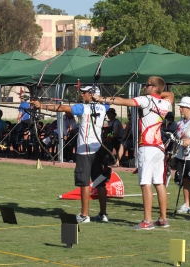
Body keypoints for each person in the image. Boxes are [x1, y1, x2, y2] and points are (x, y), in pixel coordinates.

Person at [93, 76, 174, 230]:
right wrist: (158, 93)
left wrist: (101, 98)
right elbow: (170, 95)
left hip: (147, 147)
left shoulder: (146, 100)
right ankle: (163, 219)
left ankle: (148, 221)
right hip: (159, 148)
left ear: (155, 87)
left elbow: (122, 101)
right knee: (159, 183)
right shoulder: (164, 102)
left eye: (148, 85)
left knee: (145, 184)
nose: (145, 87)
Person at [33, 86, 110, 223]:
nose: (82, 95)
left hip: (84, 150)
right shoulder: (104, 107)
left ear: (91, 95)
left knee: (84, 182)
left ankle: (84, 215)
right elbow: (107, 102)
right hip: (98, 149)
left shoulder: (83, 108)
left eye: (84, 93)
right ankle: (103, 214)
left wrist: (41, 106)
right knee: (100, 182)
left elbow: (62, 108)